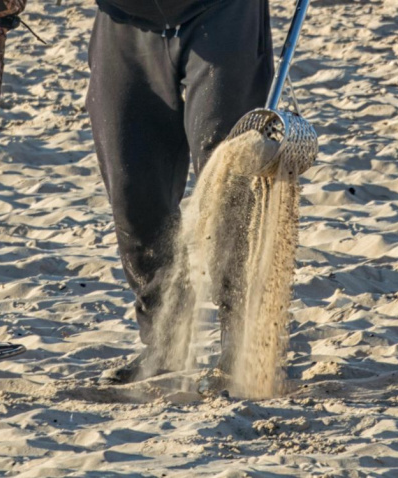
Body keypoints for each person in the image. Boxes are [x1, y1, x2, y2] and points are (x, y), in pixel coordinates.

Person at [88, 0, 274, 383]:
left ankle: (242, 341)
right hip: (123, 18)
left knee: (228, 170)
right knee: (132, 187)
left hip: (222, 12)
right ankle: (164, 345)